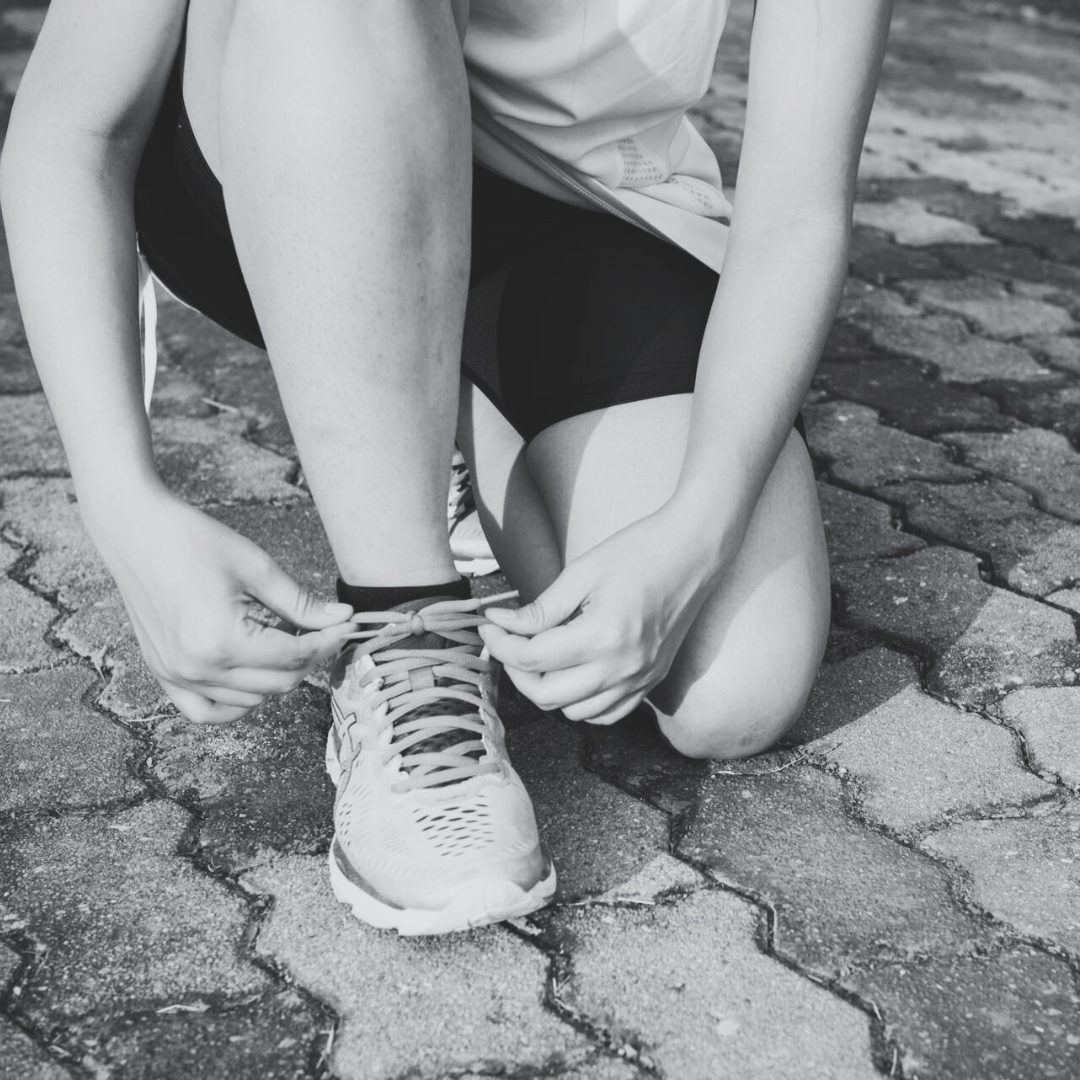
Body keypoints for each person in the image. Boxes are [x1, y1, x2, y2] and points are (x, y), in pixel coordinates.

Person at [0, 0, 892, 934]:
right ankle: (403, 627)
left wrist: (697, 528)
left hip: (580, 206)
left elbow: (797, 212)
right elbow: (71, 133)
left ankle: (430, 413)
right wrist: (121, 501)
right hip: (285, 125)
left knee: (729, 691)